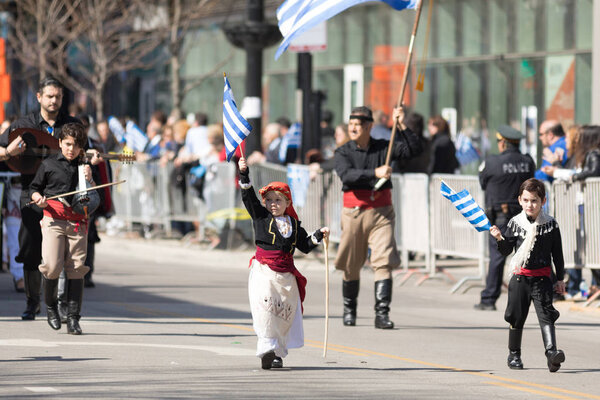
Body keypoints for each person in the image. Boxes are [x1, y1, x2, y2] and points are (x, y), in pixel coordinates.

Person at [0, 77, 82, 321]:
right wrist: (8, 152)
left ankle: (65, 304)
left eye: (57, 96)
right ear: (39, 97)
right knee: (31, 248)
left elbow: (84, 153)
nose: (54, 101)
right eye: (49, 96)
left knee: (67, 253)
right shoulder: (23, 125)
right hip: (32, 193)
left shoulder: (72, 125)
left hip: (65, 196)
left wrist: (89, 161)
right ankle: (32, 302)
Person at [334, 106, 422, 329]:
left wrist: (401, 124)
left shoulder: (385, 147)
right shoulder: (343, 152)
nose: (353, 128)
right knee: (351, 265)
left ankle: (382, 314)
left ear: (369, 126)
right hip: (354, 213)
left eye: (358, 124)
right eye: (351, 124)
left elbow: (414, 150)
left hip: (381, 212)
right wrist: (375, 173)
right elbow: (347, 175)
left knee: (383, 262)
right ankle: (349, 309)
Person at [237, 156, 329, 370]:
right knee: (265, 309)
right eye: (269, 200)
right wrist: (243, 173)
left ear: (287, 202)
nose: (273, 204)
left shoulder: (294, 224)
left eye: (278, 200)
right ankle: (266, 349)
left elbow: (304, 246)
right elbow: (248, 197)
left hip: (286, 273)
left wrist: (318, 235)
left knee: (284, 312)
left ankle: (278, 353)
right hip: (264, 270)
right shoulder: (260, 217)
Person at [30, 122, 99, 335]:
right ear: (60, 143)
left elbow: (91, 197)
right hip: (53, 220)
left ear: (81, 147)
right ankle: (51, 307)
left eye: (76, 145)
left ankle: (73, 318)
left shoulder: (84, 167)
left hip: (77, 221)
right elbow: (33, 189)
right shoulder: (48, 165)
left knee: (77, 269)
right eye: (67, 144)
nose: (71, 149)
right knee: (51, 266)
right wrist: (38, 199)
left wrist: (90, 178)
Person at [489, 178, 565, 372]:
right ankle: (514, 354)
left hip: (542, 279)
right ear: (520, 200)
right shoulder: (515, 223)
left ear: (543, 201)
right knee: (516, 316)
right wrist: (499, 237)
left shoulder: (550, 225)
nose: (530, 205)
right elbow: (506, 250)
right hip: (520, 277)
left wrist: (560, 279)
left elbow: (557, 254)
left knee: (546, 315)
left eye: (534, 201)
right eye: (526, 200)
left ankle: (552, 353)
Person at [475, 125, 535, 311]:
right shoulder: (528, 161)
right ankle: (542, 294)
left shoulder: (492, 162)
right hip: (524, 216)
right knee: (530, 254)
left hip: (501, 216)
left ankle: (489, 299)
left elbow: (483, 182)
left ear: (503, 143)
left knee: (498, 256)